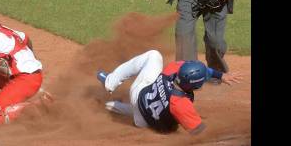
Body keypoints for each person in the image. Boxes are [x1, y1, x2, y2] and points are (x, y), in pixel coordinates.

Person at [97, 50, 241, 134]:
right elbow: (198, 131)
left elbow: (193, 69)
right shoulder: (180, 104)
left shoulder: (172, 70)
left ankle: (110, 83)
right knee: (151, 116)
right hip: (144, 122)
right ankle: (111, 105)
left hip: (138, 94)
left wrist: (220, 76)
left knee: (154, 55)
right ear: (195, 86)